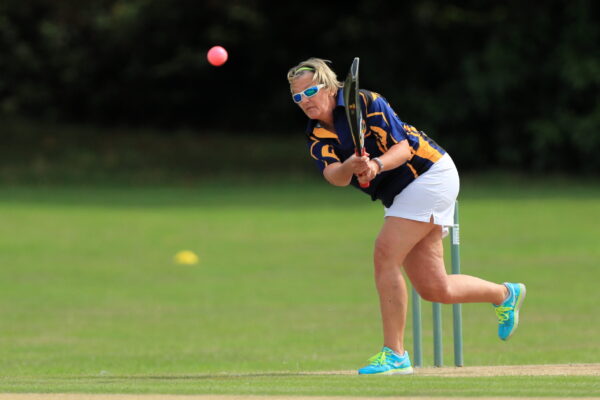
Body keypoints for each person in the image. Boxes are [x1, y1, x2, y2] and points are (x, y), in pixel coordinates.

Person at [286, 57, 526, 375]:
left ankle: (395, 355)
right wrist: (351, 167)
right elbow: (335, 176)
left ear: (329, 87)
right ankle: (505, 294)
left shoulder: (367, 102)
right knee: (433, 287)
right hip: (400, 195)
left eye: (310, 91)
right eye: (297, 97)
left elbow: (402, 149)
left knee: (384, 255)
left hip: (428, 174)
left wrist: (377, 165)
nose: (304, 101)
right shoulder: (317, 132)